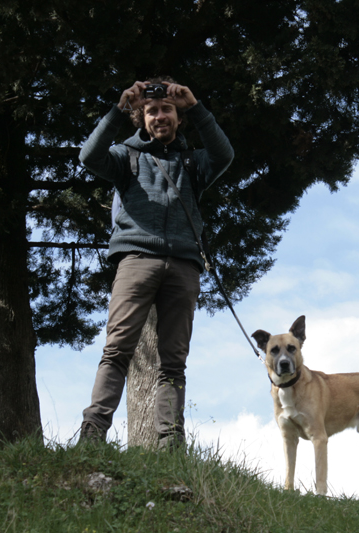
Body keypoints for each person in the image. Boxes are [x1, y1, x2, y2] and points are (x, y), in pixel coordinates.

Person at [78, 78, 234, 448]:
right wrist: (119, 109)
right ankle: (92, 435)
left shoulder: (193, 163)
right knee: (117, 351)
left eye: (167, 110)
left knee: (174, 362)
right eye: (152, 111)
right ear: (141, 118)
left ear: (178, 118)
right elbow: (89, 157)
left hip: (184, 266)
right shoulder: (125, 157)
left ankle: (171, 443)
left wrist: (196, 106)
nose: (160, 116)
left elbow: (224, 155)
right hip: (135, 260)